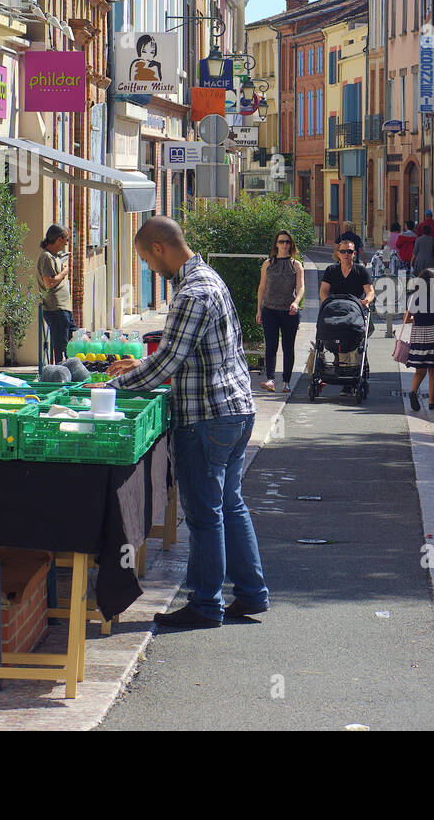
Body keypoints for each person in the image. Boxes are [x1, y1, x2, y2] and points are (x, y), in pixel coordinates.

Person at [104, 216, 265, 628]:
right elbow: (183, 352)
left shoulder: (193, 292)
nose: (150, 269)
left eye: (146, 259)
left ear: (159, 248)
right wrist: (141, 363)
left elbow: (170, 363)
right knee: (230, 504)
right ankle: (251, 594)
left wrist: (117, 386)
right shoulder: (209, 277)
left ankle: (206, 604)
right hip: (235, 409)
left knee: (204, 513)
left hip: (207, 416)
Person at [321, 238, 375, 395]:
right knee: (337, 338)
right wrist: (326, 304)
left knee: (354, 340)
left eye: (349, 251)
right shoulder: (331, 270)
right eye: (343, 251)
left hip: (355, 312)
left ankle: (351, 380)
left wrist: (366, 300)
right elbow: (324, 290)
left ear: (354, 253)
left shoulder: (360, 271)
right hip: (335, 313)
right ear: (338, 253)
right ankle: (346, 376)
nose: (346, 254)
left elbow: (370, 291)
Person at [256, 229, 305, 392]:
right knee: (270, 345)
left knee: (288, 346)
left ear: (291, 245)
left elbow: (300, 288)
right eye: (281, 242)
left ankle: (286, 381)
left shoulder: (296, 265)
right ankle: (270, 379)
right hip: (269, 309)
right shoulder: (268, 264)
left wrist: (296, 302)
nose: (284, 245)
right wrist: (259, 310)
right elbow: (262, 287)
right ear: (276, 245)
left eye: (287, 242)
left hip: (289, 311)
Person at [405, 267, 434, 411]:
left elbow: (406, 319)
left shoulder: (413, 297)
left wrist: (418, 317)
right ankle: (431, 402)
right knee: (433, 370)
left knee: (419, 370)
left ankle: (413, 391)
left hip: (418, 335)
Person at [37, 224, 75, 364]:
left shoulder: (55, 256)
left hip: (64, 308)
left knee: (71, 344)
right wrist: (64, 273)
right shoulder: (46, 257)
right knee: (61, 348)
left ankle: (69, 372)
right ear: (59, 239)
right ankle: (61, 376)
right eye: (66, 239)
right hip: (56, 309)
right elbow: (49, 283)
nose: (66, 243)